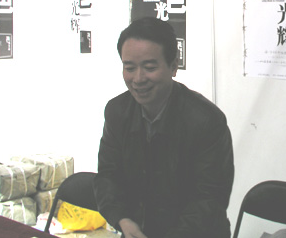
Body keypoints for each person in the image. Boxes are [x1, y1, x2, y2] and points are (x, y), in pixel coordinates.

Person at [93, 17, 235, 238]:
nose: (138, 78)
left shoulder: (206, 121)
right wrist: (122, 219)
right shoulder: (117, 112)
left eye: (149, 67)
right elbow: (108, 176)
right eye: (129, 68)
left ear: (174, 66)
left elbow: (210, 199)